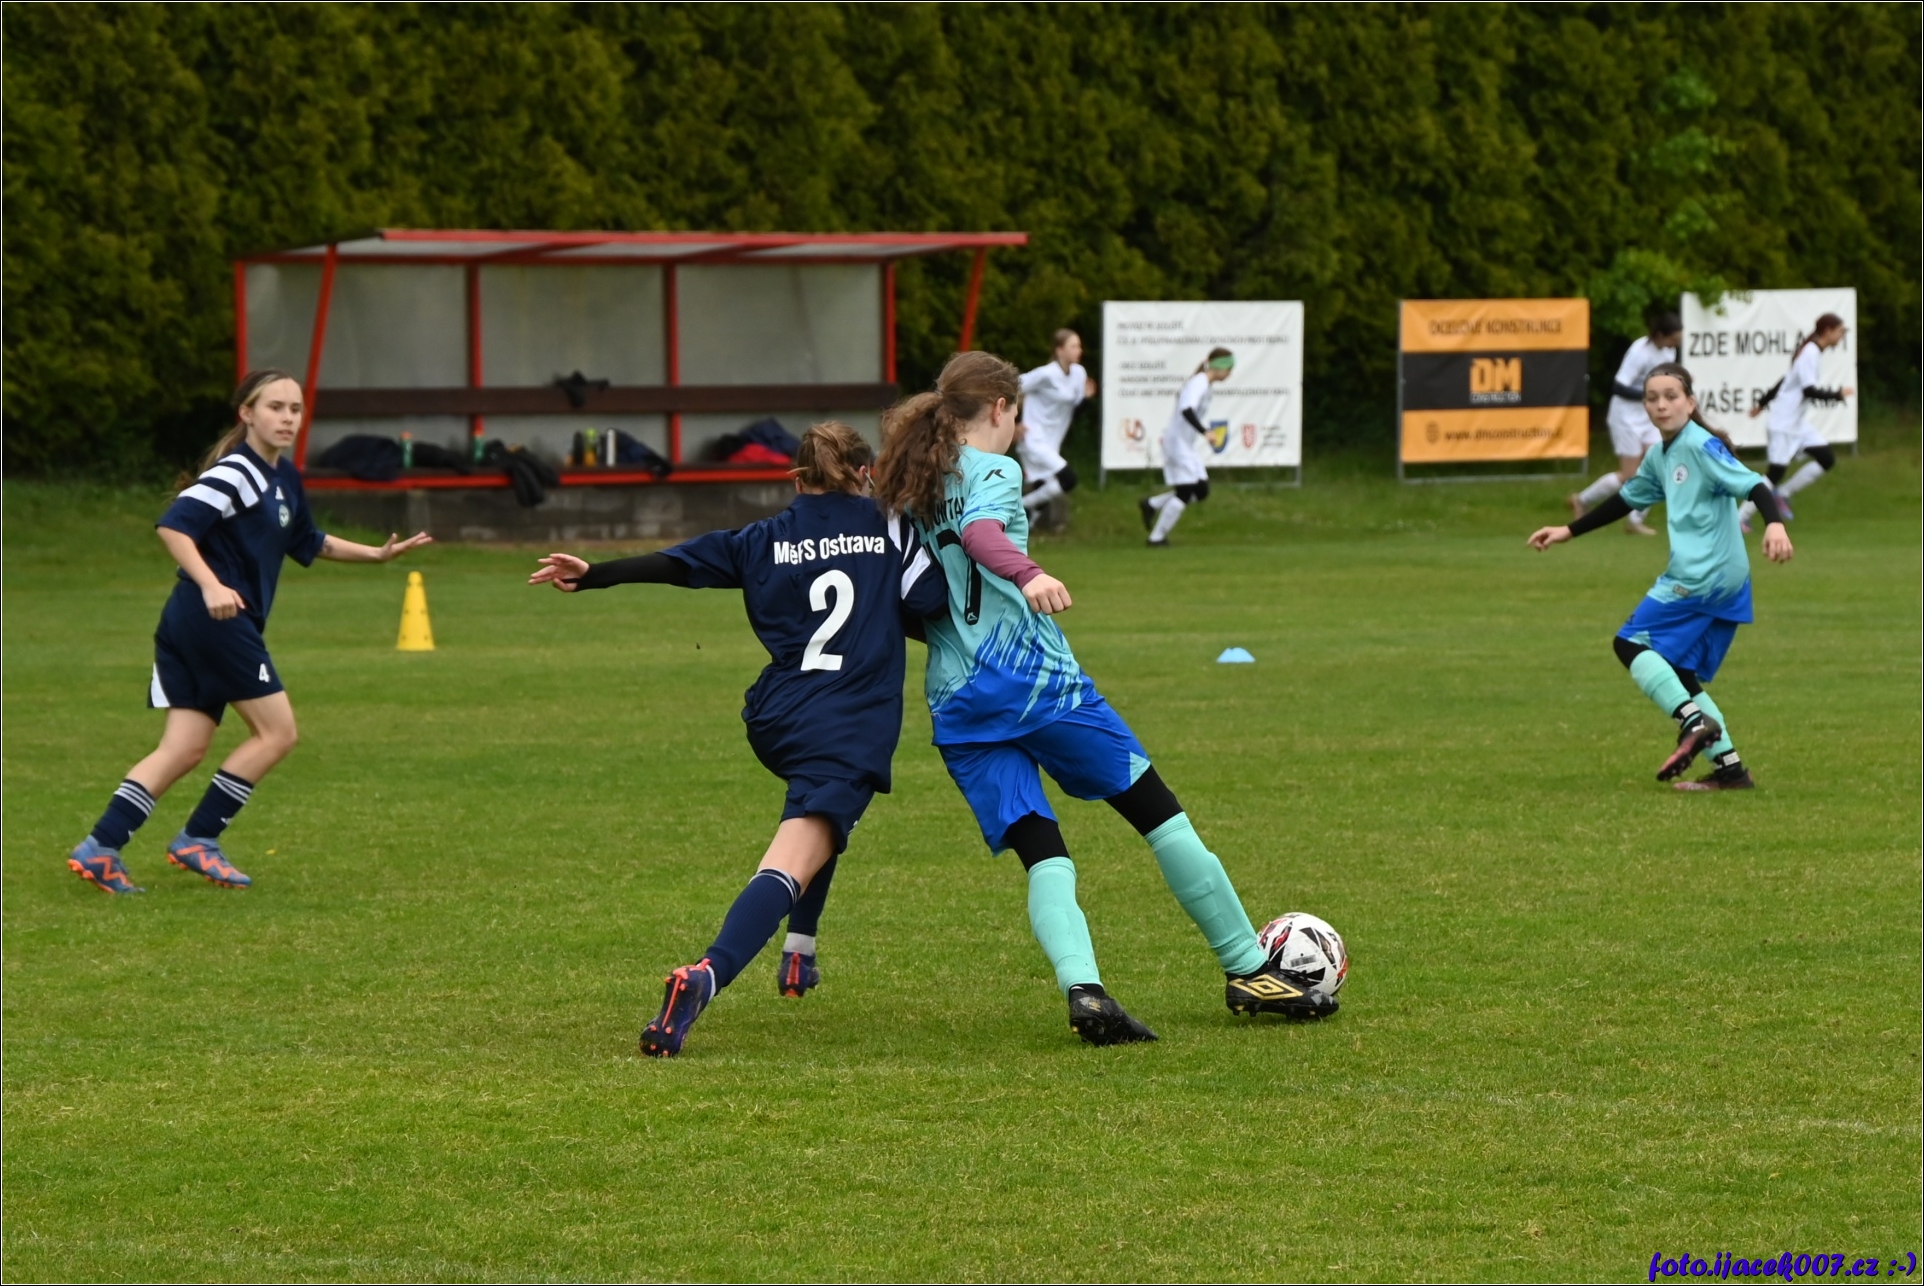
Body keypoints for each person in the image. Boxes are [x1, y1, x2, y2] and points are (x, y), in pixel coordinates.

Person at [872, 350, 1331, 1047]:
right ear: (1000, 407)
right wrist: (1028, 574)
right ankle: (1247, 967)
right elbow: (982, 534)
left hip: (958, 704)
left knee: (1043, 852)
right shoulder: (993, 471)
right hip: (1037, 684)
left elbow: (912, 596)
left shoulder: (914, 486)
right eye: (1018, 412)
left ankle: (1085, 991)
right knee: (1158, 814)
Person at [530, 422, 947, 1057]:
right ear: (866, 474)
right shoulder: (887, 524)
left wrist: (595, 575)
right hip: (850, 719)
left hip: (779, 716)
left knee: (822, 814)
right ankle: (706, 973)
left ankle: (799, 950)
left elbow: (680, 564)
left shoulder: (764, 537)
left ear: (796, 480)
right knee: (798, 849)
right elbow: (930, 599)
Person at [67, 370, 433, 894]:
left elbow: (309, 540)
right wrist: (212, 584)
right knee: (277, 733)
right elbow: (174, 525)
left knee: (184, 748)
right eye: (275, 407)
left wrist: (376, 554)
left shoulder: (283, 477)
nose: (287, 418)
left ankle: (101, 847)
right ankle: (198, 838)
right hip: (214, 620)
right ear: (247, 414)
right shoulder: (237, 471)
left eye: (295, 409)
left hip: (192, 622)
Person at [1528, 363, 1794, 791]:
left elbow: (1756, 485)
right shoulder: (1660, 455)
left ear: (1690, 402)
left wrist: (1774, 524)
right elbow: (1627, 499)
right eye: (1652, 398)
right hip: (1726, 579)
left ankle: (1693, 722)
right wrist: (1568, 531)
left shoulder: (1700, 445)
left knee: (1630, 643)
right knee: (1678, 671)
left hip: (1702, 576)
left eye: (1671, 396)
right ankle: (1731, 772)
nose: (1661, 404)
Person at [1567, 313, 1682, 537]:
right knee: (1629, 476)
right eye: (1674, 338)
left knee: (1658, 466)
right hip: (1625, 417)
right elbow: (1619, 387)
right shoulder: (1640, 352)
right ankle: (1581, 500)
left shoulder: (1669, 351)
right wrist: (1651, 395)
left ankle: (1635, 521)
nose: (1676, 343)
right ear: (1660, 335)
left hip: (1649, 416)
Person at [1737, 312, 1854, 526]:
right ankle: (1740, 517)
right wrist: (1837, 395)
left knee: (1826, 458)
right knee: (1774, 474)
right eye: (1839, 331)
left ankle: (1782, 494)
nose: (1841, 336)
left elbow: (1785, 381)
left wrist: (1762, 404)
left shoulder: (1812, 352)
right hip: (1783, 423)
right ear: (1828, 331)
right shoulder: (1810, 353)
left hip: (1796, 424)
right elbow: (1809, 390)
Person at [1140, 348, 1234, 547]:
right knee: (1185, 491)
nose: (1230, 374)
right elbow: (1186, 410)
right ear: (1218, 367)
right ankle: (1156, 538)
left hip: (1186, 444)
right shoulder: (1199, 382)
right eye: (1228, 368)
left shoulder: (1205, 384)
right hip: (1177, 443)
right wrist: (1205, 431)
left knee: (1201, 491)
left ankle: (1152, 504)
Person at [1016, 328, 1096, 517]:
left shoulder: (1079, 373)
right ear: (1060, 350)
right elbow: (1012, 387)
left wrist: (1086, 399)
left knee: (1046, 490)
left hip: (1053, 441)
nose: (1079, 350)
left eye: (1079, 346)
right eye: (1074, 346)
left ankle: (1025, 519)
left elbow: (1075, 410)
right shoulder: (1046, 374)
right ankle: (1021, 507)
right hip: (1033, 438)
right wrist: (1014, 422)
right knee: (1068, 479)